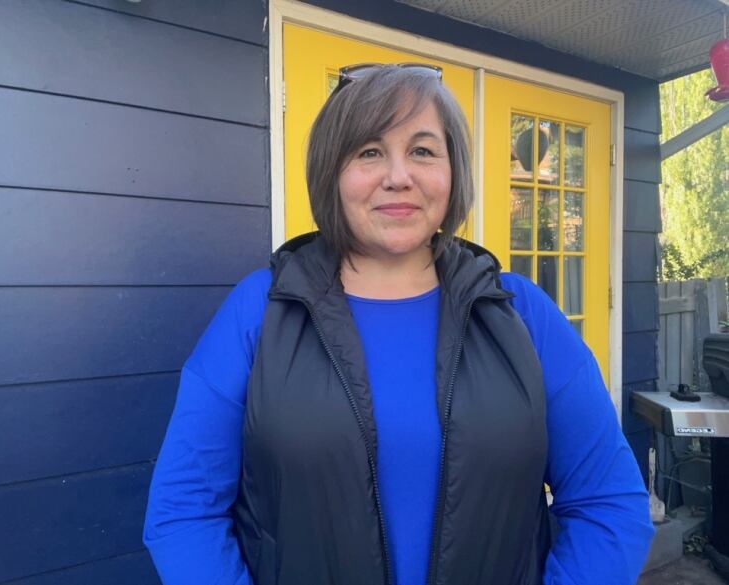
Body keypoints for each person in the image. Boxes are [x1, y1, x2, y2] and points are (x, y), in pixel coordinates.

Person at [143, 64, 654, 585]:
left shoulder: (521, 313)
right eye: (369, 152)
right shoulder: (260, 310)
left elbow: (608, 504)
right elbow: (185, 511)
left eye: (423, 151)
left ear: (452, 171)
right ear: (331, 172)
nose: (398, 175)